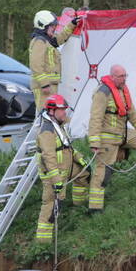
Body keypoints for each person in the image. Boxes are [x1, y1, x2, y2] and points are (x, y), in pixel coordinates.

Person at [87, 65, 136, 213]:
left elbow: (131, 112)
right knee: (103, 172)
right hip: (107, 137)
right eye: (121, 76)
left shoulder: (123, 90)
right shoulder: (102, 92)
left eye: (125, 76)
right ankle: (95, 208)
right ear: (112, 76)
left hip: (123, 134)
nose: (124, 79)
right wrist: (94, 142)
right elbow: (95, 118)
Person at [35, 94, 91, 241]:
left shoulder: (58, 126)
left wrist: (79, 159)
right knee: (51, 205)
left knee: (85, 175)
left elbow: (67, 146)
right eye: (62, 110)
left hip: (67, 168)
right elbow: (49, 157)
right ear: (52, 111)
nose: (64, 113)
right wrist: (56, 179)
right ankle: (43, 241)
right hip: (55, 174)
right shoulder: (47, 131)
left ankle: (79, 207)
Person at [29, 10, 76, 98]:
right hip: (44, 87)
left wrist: (72, 24)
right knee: (44, 111)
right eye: (52, 26)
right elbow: (36, 65)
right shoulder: (39, 41)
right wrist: (44, 84)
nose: (54, 28)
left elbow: (60, 38)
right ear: (43, 26)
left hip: (49, 85)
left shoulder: (47, 40)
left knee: (50, 111)